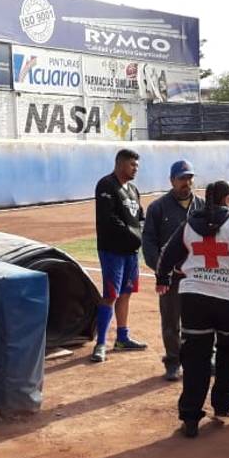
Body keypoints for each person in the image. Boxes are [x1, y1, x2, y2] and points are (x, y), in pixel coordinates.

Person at [155, 180, 229, 437]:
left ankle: (190, 416)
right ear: (228, 199)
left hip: (194, 298)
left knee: (195, 357)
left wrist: (163, 278)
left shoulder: (188, 224)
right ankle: (223, 406)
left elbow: (167, 254)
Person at [143, 159, 205, 381]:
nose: (186, 182)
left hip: (198, 276)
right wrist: (163, 270)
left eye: (189, 178)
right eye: (182, 178)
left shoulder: (203, 206)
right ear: (172, 180)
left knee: (202, 320)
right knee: (171, 322)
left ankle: (203, 358)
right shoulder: (158, 208)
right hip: (171, 278)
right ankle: (173, 361)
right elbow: (149, 243)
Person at [92, 148, 149, 362]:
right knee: (110, 295)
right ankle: (100, 343)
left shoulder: (133, 189)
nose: (136, 169)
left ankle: (122, 338)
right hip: (112, 250)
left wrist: (142, 233)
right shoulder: (106, 185)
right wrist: (134, 235)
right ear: (120, 164)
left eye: (137, 165)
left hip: (131, 252)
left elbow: (140, 217)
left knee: (126, 293)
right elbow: (109, 219)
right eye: (132, 164)